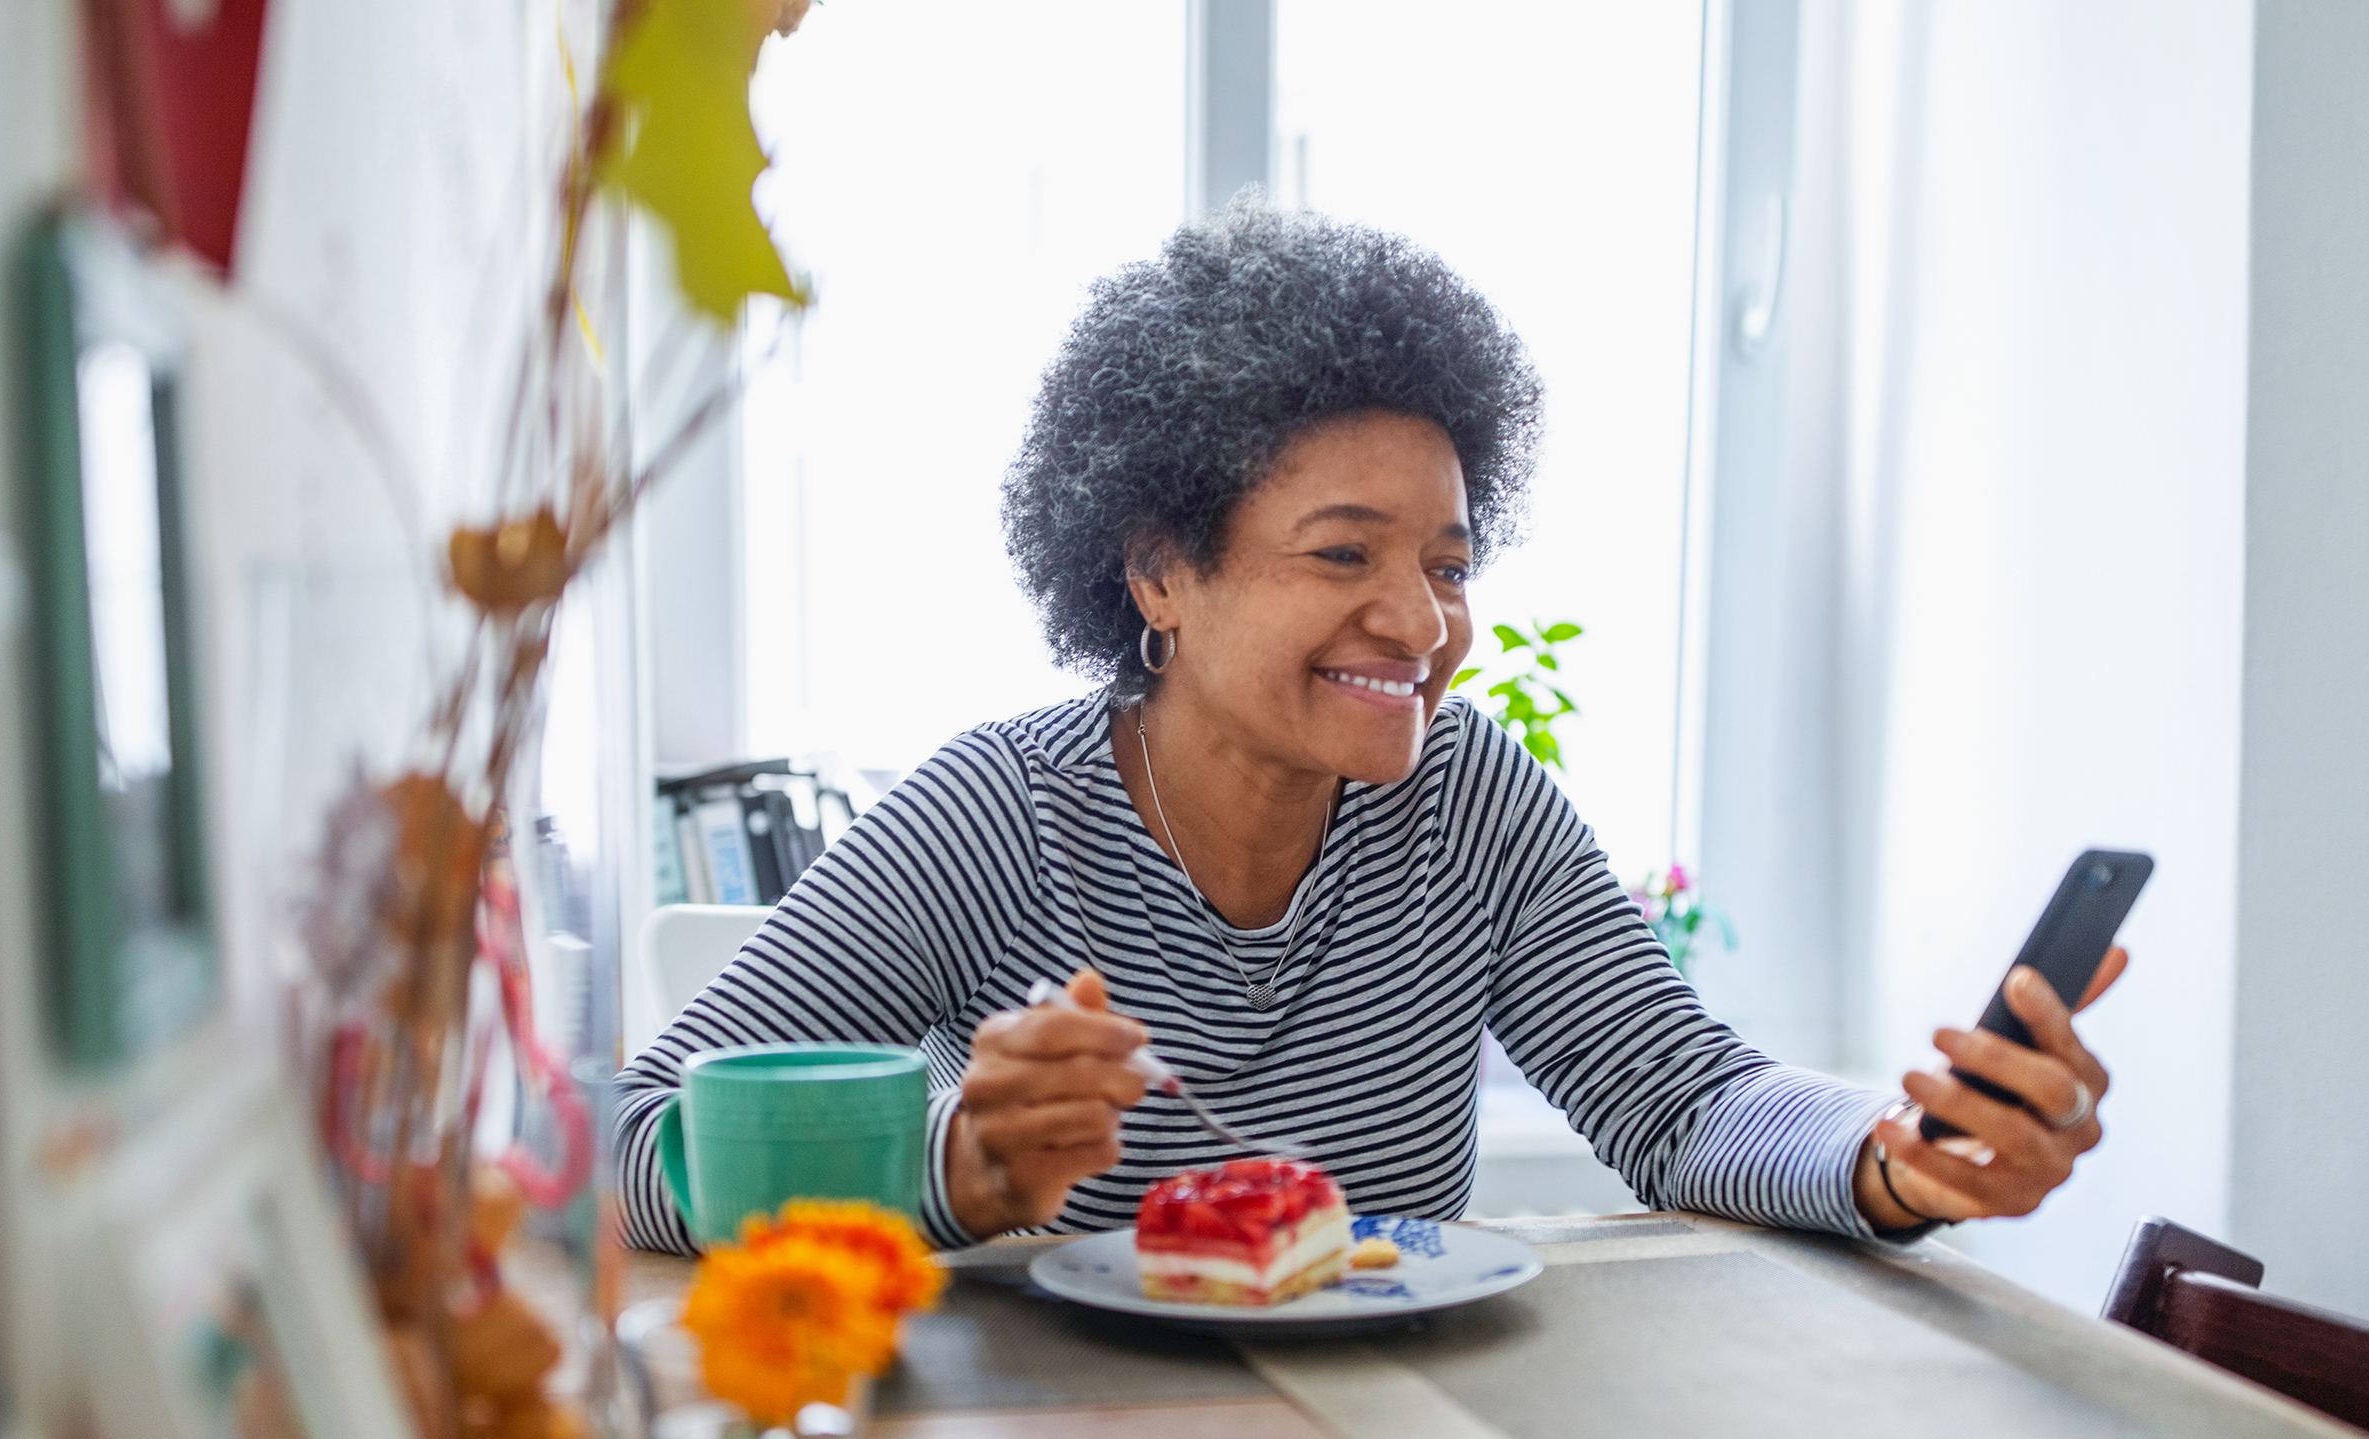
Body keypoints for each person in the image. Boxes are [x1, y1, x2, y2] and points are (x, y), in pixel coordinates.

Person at [617, 200, 2123, 1255]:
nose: (1420, 621)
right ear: (1160, 572)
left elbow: (1684, 1102)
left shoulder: (1470, 801)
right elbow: (634, 1139)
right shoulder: (1000, 818)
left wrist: (1894, 1160)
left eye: (1448, 567)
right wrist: (949, 1166)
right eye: (1344, 554)